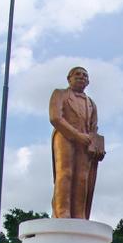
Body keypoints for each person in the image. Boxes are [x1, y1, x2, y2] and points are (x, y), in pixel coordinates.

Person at [49, 66, 106, 219]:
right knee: (65, 173)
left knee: (82, 177)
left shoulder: (91, 103)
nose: (82, 77)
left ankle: (79, 214)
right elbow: (55, 118)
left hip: (85, 142)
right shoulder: (60, 94)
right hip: (65, 135)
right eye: (77, 74)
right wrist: (77, 135)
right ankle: (62, 212)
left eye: (85, 75)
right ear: (69, 78)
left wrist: (97, 145)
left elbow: (94, 127)